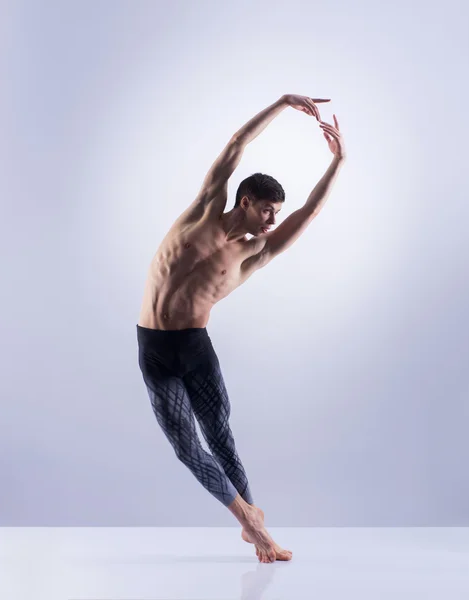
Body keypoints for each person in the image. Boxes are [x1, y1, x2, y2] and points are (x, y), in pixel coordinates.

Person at [137, 93, 346, 563]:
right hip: (153, 347)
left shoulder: (255, 252)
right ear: (246, 202)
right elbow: (237, 143)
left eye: (277, 212)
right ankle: (251, 520)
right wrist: (281, 103)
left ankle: (256, 529)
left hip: (195, 347)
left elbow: (307, 215)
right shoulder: (201, 215)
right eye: (268, 210)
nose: (273, 220)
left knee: (221, 437)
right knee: (186, 446)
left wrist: (338, 163)